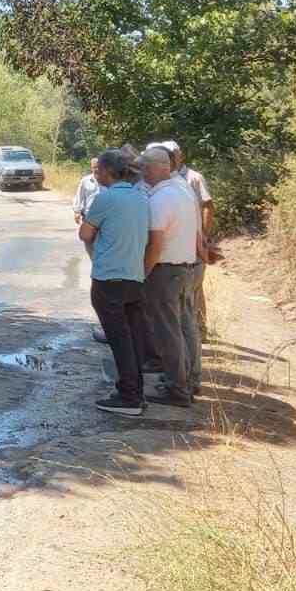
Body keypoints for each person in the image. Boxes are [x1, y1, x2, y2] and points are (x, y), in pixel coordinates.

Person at [78, 149, 153, 416]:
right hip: (134, 275)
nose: (96, 174)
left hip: (109, 277)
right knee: (133, 337)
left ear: (109, 172)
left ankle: (129, 396)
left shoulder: (105, 198)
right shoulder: (141, 196)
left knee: (119, 339)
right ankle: (137, 392)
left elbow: (85, 233)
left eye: (99, 170)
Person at [140, 145, 202, 405]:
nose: (142, 172)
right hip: (185, 267)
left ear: (155, 168)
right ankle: (190, 380)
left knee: (168, 332)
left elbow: (155, 245)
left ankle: (177, 388)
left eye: (144, 167)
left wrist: (143, 273)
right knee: (185, 326)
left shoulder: (160, 199)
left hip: (165, 271)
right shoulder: (183, 190)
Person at [160, 139, 215, 338]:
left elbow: (208, 205)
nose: (171, 157)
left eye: (173, 154)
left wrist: (204, 235)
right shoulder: (165, 179)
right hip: (178, 243)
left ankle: (200, 330)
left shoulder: (193, 178)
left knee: (194, 289)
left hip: (194, 243)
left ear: (180, 155)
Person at [72, 157, 102, 226]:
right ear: (91, 168)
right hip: (88, 216)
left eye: (98, 167)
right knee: (87, 236)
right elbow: (79, 196)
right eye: (94, 167)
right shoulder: (85, 181)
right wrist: (77, 212)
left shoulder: (107, 180)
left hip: (103, 216)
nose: (97, 169)